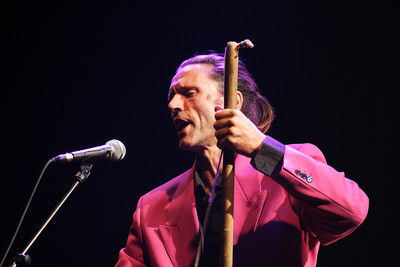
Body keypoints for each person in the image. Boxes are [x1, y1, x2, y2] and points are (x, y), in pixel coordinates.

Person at [115, 53, 369, 267]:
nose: (173, 105)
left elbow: (350, 211)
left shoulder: (288, 170)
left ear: (230, 103)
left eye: (189, 93)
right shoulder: (151, 207)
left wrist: (262, 147)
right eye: (171, 96)